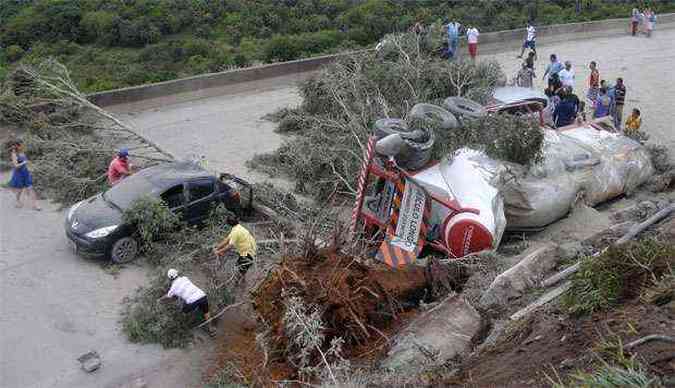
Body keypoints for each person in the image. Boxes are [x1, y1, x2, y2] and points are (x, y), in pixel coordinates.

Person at [158, 269, 214, 333]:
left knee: (183, 311)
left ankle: (187, 324)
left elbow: (168, 296)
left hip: (192, 301)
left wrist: (159, 300)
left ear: (170, 279)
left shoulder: (173, 288)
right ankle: (211, 328)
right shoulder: (185, 278)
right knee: (206, 313)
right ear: (177, 273)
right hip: (202, 296)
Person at [8, 141, 40, 210]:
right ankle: (17, 201)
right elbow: (16, 166)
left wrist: (29, 166)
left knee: (31, 188)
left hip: (26, 173)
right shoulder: (14, 154)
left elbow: (26, 161)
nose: (22, 146)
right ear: (18, 146)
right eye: (21, 145)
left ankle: (35, 205)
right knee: (20, 190)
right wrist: (24, 162)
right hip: (19, 174)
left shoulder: (22, 152)